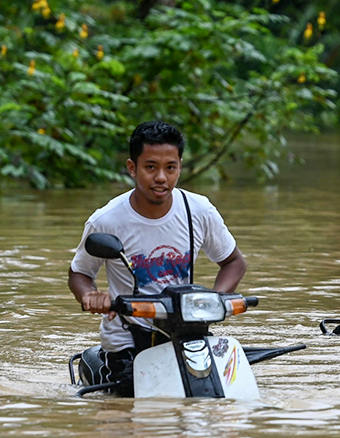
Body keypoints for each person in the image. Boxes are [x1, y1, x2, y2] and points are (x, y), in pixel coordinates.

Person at [68, 120, 247, 394]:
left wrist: (213, 302)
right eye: (150, 167)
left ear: (180, 167)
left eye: (170, 168)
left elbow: (233, 262)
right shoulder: (106, 220)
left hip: (186, 331)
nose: (161, 177)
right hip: (126, 337)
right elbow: (79, 273)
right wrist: (90, 296)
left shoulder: (199, 210)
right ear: (132, 168)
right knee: (127, 410)